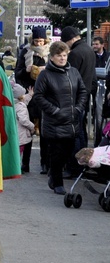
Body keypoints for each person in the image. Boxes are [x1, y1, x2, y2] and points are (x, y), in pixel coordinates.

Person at [32, 41, 88, 195]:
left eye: (64, 55)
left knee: (68, 151)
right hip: (54, 122)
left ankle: (54, 177)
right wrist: (55, 111)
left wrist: (78, 108)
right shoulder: (45, 74)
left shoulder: (73, 72)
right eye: (59, 56)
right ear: (52, 57)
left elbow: (83, 91)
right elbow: (38, 96)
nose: (62, 58)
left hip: (71, 120)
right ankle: (57, 182)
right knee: (57, 153)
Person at [13, 26, 50, 173]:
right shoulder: (26, 51)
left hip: (44, 95)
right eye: (36, 41)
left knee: (44, 131)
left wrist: (45, 70)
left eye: (41, 41)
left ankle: (44, 163)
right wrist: (26, 71)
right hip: (29, 95)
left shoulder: (50, 53)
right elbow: (17, 74)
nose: (39, 43)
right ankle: (25, 163)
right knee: (27, 130)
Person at [60, 26, 96, 171]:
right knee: (81, 131)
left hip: (74, 98)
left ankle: (74, 165)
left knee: (74, 132)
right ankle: (83, 163)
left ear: (70, 39)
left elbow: (69, 78)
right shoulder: (89, 50)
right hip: (85, 96)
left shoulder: (75, 53)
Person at [13, 84, 35, 173]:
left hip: (15, 133)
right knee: (18, 152)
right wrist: (32, 126)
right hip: (21, 133)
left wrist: (29, 95)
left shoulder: (14, 103)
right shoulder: (21, 106)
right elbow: (24, 120)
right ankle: (16, 169)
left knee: (15, 152)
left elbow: (23, 100)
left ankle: (14, 167)